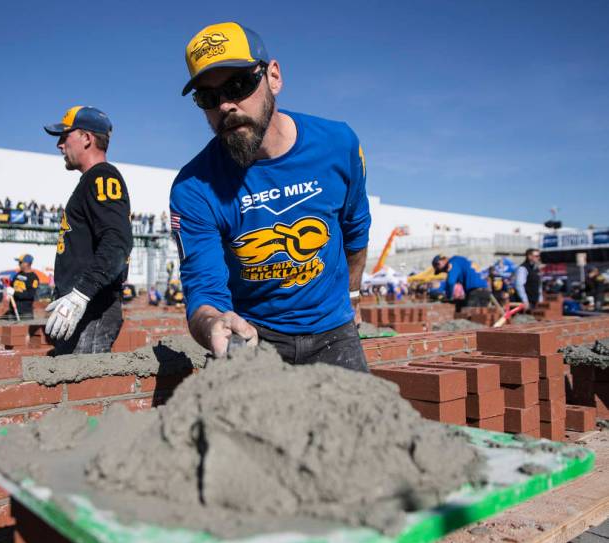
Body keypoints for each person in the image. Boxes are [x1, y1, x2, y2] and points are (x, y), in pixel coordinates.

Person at [170, 22, 371, 370]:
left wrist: (352, 297)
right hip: (253, 338)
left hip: (334, 333)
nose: (226, 105)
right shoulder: (193, 187)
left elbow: (355, 231)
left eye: (238, 84)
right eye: (208, 97)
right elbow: (203, 287)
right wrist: (214, 324)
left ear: (273, 77)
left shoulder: (338, 145)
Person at [43, 105, 133, 354]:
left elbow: (118, 242)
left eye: (65, 136)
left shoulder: (102, 177)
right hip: (81, 308)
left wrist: (80, 296)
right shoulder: (91, 181)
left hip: (91, 309)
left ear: (86, 138)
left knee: (81, 389)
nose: (60, 145)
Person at [6, 254, 40, 319]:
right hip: (13, 310)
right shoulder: (17, 274)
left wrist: (15, 293)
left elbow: (30, 295)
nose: (19, 264)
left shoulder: (33, 278)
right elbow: (11, 286)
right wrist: (9, 288)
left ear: (27, 264)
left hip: (25, 312)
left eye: (20, 262)